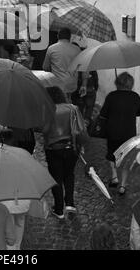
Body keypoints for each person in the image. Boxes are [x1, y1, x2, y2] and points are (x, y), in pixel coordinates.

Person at [43, 86, 89, 219]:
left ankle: (59, 210)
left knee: (56, 178)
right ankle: (70, 203)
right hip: (72, 148)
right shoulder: (73, 108)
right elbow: (81, 128)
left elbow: (44, 129)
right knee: (69, 175)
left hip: (53, 149)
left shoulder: (48, 110)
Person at [100, 72, 140, 195]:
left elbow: (103, 113)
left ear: (117, 83)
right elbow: (139, 112)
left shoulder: (111, 96)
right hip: (128, 133)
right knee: (127, 159)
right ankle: (123, 185)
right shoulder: (135, 96)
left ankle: (114, 177)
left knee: (112, 154)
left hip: (112, 131)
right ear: (131, 84)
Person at [43, 28, 87, 102]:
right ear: (69, 37)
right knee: (68, 101)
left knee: (58, 103)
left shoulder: (51, 48)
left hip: (56, 85)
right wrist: (84, 85)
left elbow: (45, 67)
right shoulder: (77, 49)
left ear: (58, 36)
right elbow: (83, 69)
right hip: (71, 85)